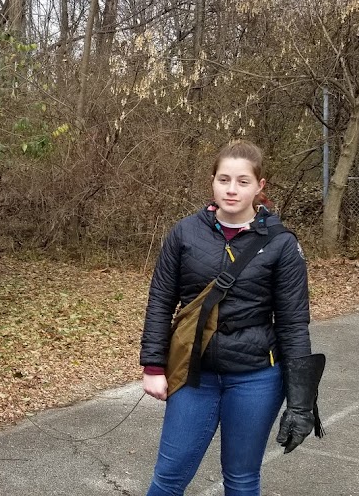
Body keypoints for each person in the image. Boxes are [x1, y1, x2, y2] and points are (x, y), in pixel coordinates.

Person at [139, 140, 324, 496]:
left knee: (241, 479)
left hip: (256, 378)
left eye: (242, 181)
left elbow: (293, 323)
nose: (232, 189)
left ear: (260, 186)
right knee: (168, 477)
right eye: (224, 179)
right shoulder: (184, 233)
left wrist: (301, 403)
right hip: (194, 373)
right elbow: (160, 302)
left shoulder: (282, 244)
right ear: (212, 181)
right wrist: (153, 366)